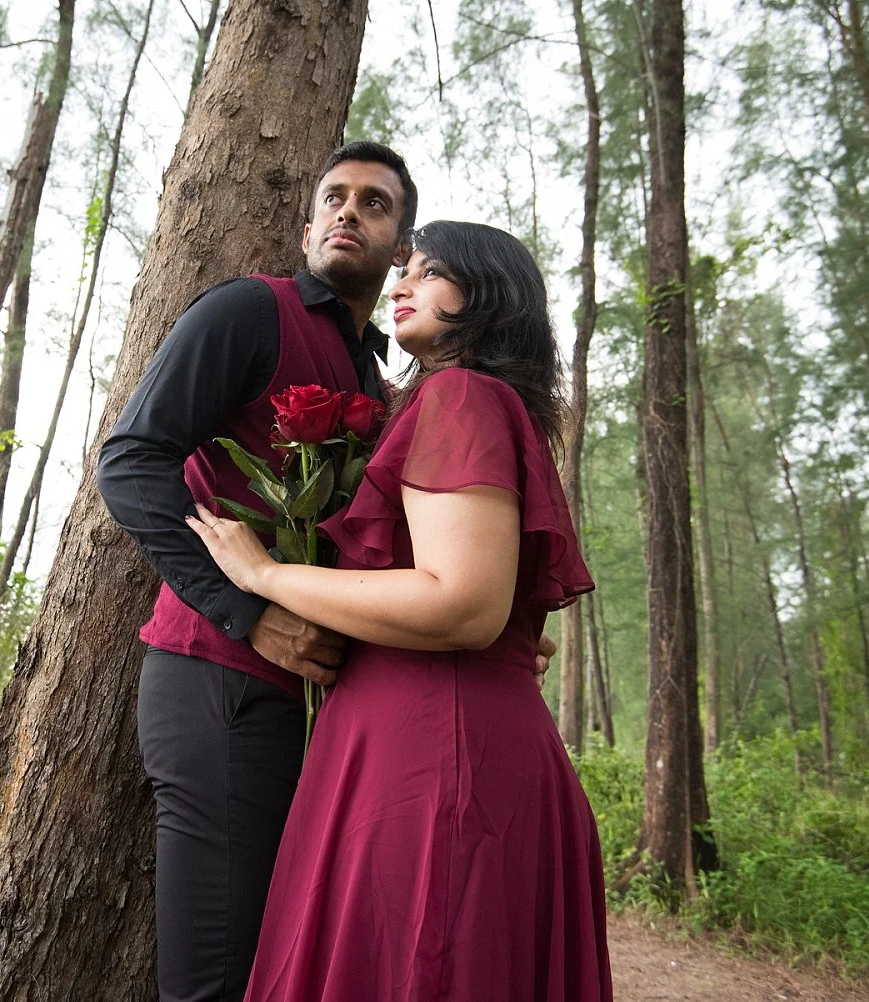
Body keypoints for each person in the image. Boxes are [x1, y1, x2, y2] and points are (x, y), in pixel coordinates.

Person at [97, 144, 556, 1002]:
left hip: (325, 704)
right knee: (222, 977)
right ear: (308, 230)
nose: (349, 211)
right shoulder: (250, 310)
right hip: (221, 676)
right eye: (333, 198)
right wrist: (247, 609)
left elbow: (427, 552)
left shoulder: (383, 381)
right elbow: (130, 462)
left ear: (398, 250)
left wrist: (490, 629)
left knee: (298, 958)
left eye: (375, 205)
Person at [188, 221, 613, 1001]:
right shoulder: (474, 404)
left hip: (435, 765)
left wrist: (266, 575)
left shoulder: (461, 396)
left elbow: (462, 604)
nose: (401, 282)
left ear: (486, 295)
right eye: (403, 268)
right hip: (437, 747)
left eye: (429, 270)